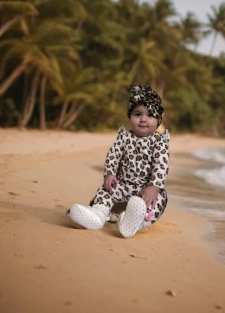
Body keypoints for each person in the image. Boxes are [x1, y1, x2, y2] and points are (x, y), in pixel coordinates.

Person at [69, 84, 170, 238]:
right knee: (106, 190)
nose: (143, 119)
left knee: (157, 200)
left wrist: (154, 187)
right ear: (130, 116)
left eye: (150, 115)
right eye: (137, 114)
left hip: (145, 188)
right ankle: (98, 213)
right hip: (122, 184)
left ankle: (136, 222)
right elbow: (113, 155)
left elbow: (161, 165)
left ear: (158, 119)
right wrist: (109, 173)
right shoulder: (124, 137)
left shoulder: (159, 141)